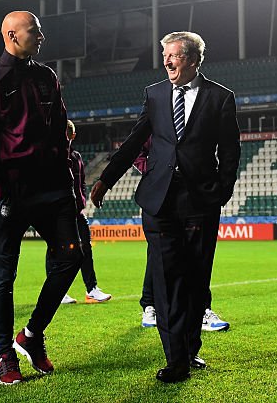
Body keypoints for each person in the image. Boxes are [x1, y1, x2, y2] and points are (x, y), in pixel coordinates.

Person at [91, 31, 240, 383]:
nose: (167, 62)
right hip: (158, 200)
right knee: (167, 278)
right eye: (165, 56)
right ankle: (176, 360)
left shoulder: (220, 97)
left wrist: (221, 190)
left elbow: (230, 150)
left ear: (191, 59)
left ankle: (189, 349)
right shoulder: (155, 94)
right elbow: (134, 141)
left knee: (195, 280)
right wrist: (106, 178)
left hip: (201, 202)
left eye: (173, 55)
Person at [0, 10, 83, 385]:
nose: (42, 36)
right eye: (35, 31)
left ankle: (31, 335)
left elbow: (58, 127)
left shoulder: (47, 76)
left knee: (72, 257)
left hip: (52, 187)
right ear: (13, 35)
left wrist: (67, 176)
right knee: (3, 275)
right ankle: (5, 355)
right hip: (11, 191)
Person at [133, 139, 229, 331]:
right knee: (158, 252)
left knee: (195, 254)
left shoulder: (191, 117)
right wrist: (155, 170)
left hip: (192, 191)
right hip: (161, 191)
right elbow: (135, 148)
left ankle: (201, 310)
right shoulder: (155, 116)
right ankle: (151, 307)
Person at [60, 120, 112, 305]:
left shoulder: (76, 157)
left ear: (72, 136)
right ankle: (59, 292)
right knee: (57, 252)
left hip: (76, 212)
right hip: (59, 213)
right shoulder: (54, 156)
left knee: (86, 249)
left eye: (66, 134)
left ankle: (91, 289)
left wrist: (81, 201)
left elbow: (81, 183)